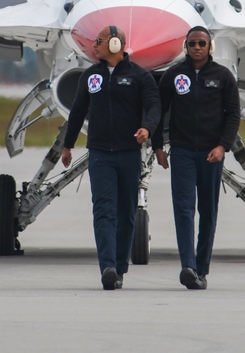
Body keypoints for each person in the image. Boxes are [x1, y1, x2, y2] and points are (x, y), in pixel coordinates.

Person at [62, 25, 160, 290]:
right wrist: (67, 145)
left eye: (99, 41)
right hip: (100, 154)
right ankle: (107, 266)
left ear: (116, 44)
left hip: (129, 154)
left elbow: (153, 106)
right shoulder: (90, 76)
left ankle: (120, 267)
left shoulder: (140, 77)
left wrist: (147, 128)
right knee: (103, 210)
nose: (94, 46)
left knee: (126, 213)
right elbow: (77, 111)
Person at [153, 26, 240, 290]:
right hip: (182, 152)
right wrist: (158, 146)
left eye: (202, 43)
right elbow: (158, 110)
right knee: (183, 209)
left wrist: (223, 146)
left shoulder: (223, 77)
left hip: (211, 154)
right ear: (186, 46)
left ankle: (202, 269)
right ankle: (188, 267)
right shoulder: (173, 75)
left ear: (209, 46)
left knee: (208, 212)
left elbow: (234, 114)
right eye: (192, 44)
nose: (197, 48)